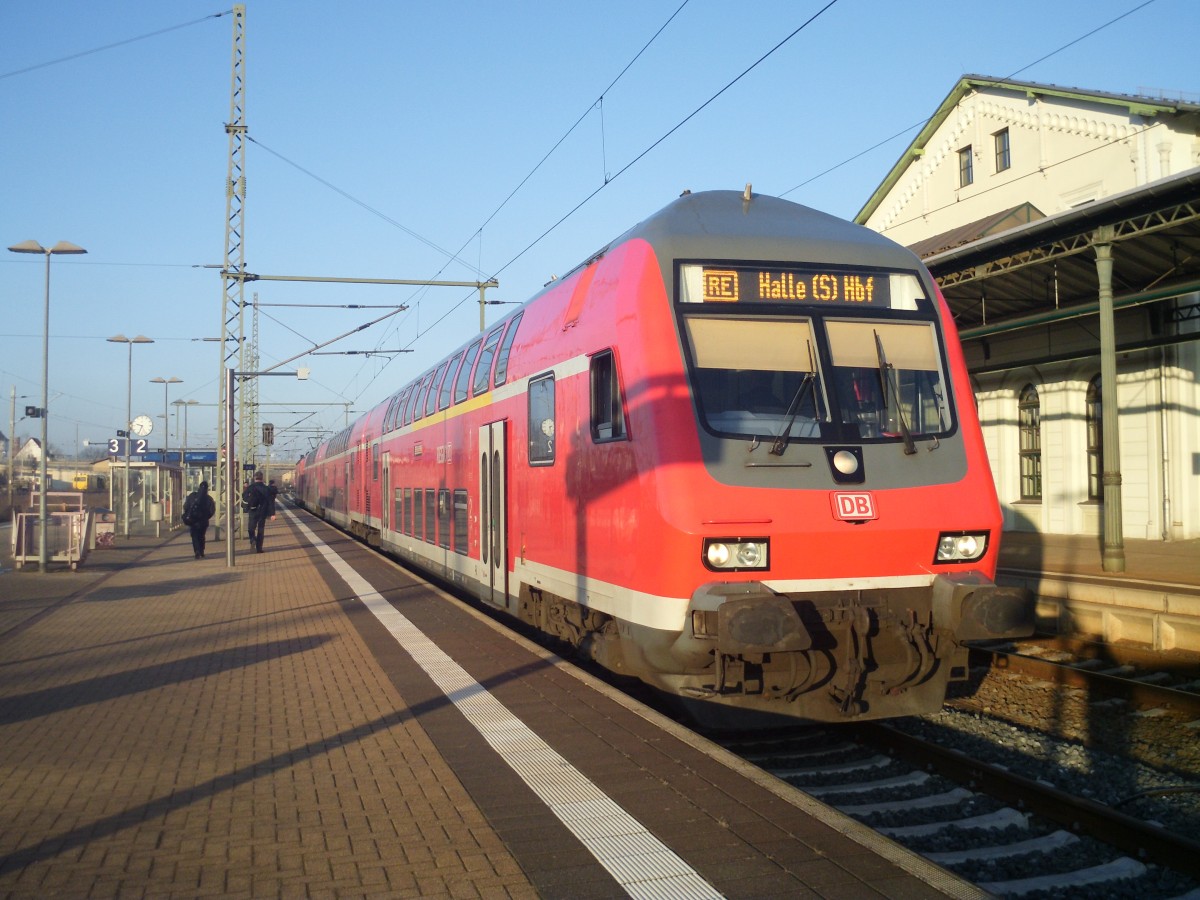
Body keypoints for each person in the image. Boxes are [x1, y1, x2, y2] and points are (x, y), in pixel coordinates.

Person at [182, 480, 216, 559]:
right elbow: (212, 511)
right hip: (203, 521)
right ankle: (201, 551)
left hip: (193, 520)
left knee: (194, 536)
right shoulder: (209, 499)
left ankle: (197, 551)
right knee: (201, 536)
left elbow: (185, 506)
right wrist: (206, 517)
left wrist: (189, 514)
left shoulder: (192, 495)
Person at [242, 470, 274, 553]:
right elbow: (270, 501)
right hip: (262, 512)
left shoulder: (250, 487)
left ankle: (252, 539)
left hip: (252, 511)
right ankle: (259, 548)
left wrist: (246, 507)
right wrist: (272, 514)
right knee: (261, 530)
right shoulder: (266, 488)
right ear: (262, 478)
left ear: (254, 478)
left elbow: (244, 497)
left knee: (251, 528)